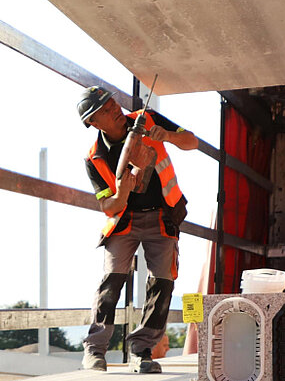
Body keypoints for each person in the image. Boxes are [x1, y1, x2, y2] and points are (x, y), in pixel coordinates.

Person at [76, 86, 198, 373]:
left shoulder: (148, 119)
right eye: (105, 110)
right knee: (111, 282)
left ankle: (141, 350)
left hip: (162, 215)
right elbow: (109, 206)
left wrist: (167, 136)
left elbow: (191, 141)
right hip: (124, 221)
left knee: (163, 282)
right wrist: (124, 190)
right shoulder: (94, 157)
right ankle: (95, 351)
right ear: (93, 122)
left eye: (112, 103)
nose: (115, 110)